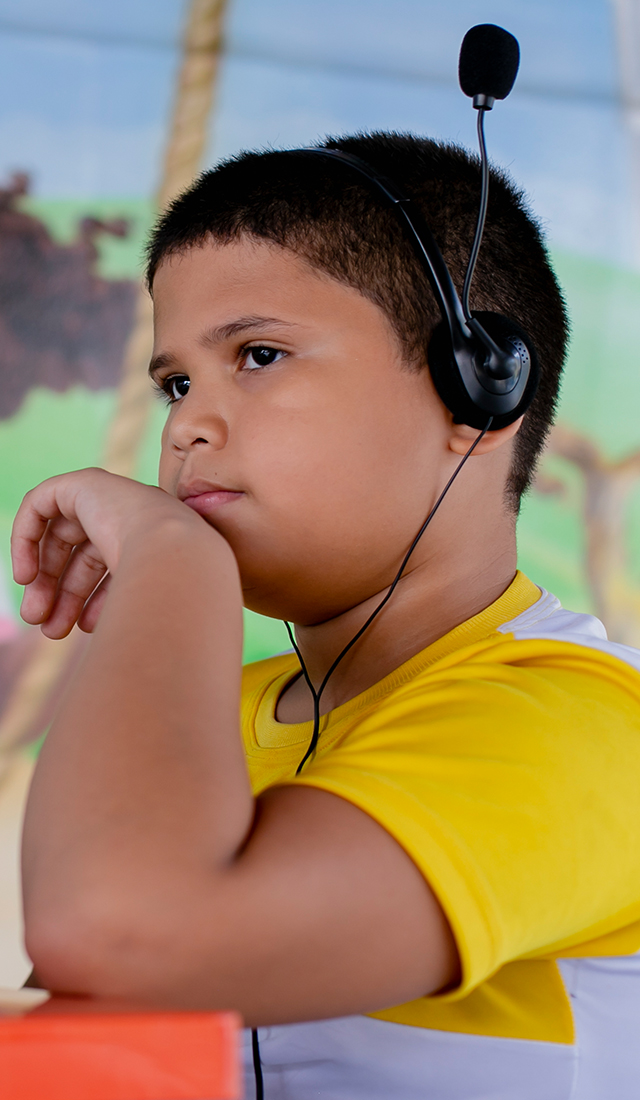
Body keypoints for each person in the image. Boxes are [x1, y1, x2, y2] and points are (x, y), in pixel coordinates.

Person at [13, 134, 640, 1100]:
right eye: (176, 383)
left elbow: (123, 935)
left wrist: (172, 564)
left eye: (258, 355)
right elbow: (81, 1044)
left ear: (477, 389)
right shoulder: (209, 718)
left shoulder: (591, 724)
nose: (186, 426)